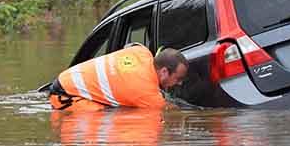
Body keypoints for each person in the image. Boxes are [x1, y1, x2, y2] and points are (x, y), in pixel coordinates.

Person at [48, 45, 187, 111]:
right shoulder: (146, 92)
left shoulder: (142, 52)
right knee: (107, 116)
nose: (180, 83)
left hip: (67, 78)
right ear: (163, 72)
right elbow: (171, 112)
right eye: (178, 78)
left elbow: (131, 45)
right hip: (65, 95)